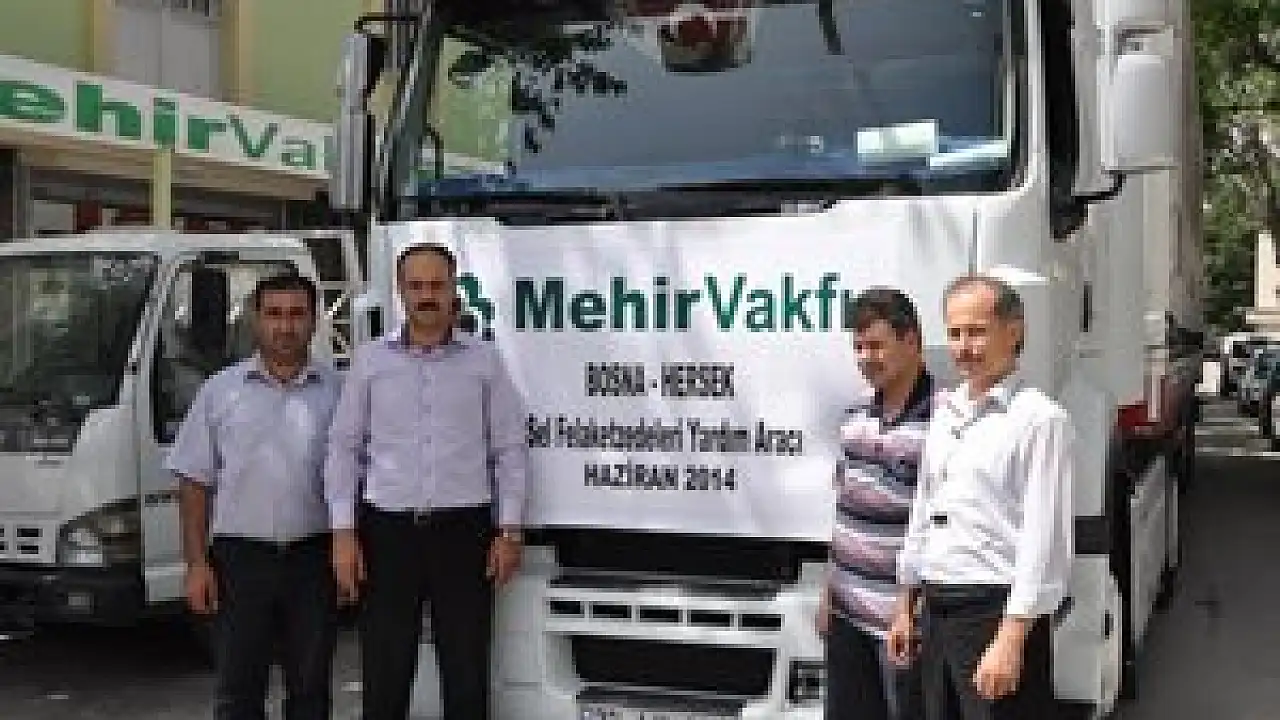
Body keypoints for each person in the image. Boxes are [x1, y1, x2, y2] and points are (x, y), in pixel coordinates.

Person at [323, 242, 529, 720]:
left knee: (467, 673)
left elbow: (509, 448)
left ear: (454, 289)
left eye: (437, 285)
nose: (427, 295)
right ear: (400, 291)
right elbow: (344, 448)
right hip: (387, 535)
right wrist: (343, 534)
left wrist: (510, 530)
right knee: (386, 673)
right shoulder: (370, 362)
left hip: (464, 534)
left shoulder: (484, 361)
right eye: (416, 286)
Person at [891, 275, 1075, 720]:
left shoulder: (1038, 420)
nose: (963, 347)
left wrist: (1011, 639)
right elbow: (925, 509)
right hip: (937, 612)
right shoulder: (946, 413)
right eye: (954, 333)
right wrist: (905, 606)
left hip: (994, 614)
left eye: (976, 332)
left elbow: (1043, 539)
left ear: (1013, 332)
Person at [167, 273, 343, 720]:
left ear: (315, 320)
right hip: (239, 563)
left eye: (297, 314)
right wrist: (196, 565)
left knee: (310, 692)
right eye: (274, 314)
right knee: (238, 693)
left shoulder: (340, 393)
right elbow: (194, 482)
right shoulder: (219, 392)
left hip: (313, 561)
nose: (285, 326)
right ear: (255, 320)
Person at [819, 287, 930, 720]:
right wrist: (829, 593)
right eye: (859, 347)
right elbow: (844, 515)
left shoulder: (943, 422)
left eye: (877, 346)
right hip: (847, 615)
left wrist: (910, 607)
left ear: (911, 341)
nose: (866, 358)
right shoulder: (853, 419)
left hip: (902, 622)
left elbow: (938, 527)